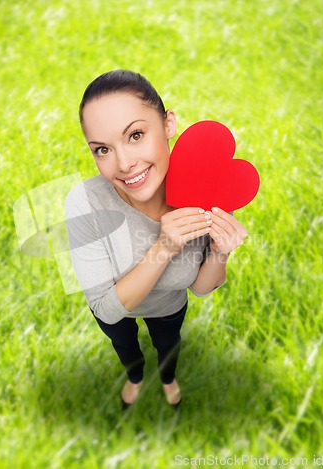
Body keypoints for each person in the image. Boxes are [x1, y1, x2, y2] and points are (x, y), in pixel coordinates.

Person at [65, 70, 248, 409]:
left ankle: (167, 378)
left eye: (135, 135)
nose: (124, 164)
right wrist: (164, 247)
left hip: (169, 307)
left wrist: (221, 252)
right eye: (102, 149)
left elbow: (201, 288)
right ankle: (135, 377)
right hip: (117, 314)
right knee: (125, 348)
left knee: (168, 345)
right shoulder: (84, 202)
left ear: (168, 125)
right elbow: (105, 307)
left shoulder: (209, 188)